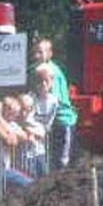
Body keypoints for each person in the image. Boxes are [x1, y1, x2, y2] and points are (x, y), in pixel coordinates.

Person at [29, 38, 77, 169]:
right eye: (35, 52)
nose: (36, 55)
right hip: (49, 122)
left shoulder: (51, 71)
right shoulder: (36, 69)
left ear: (50, 54)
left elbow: (53, 98)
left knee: (62, 161)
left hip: (63, 120)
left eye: (40, 52)